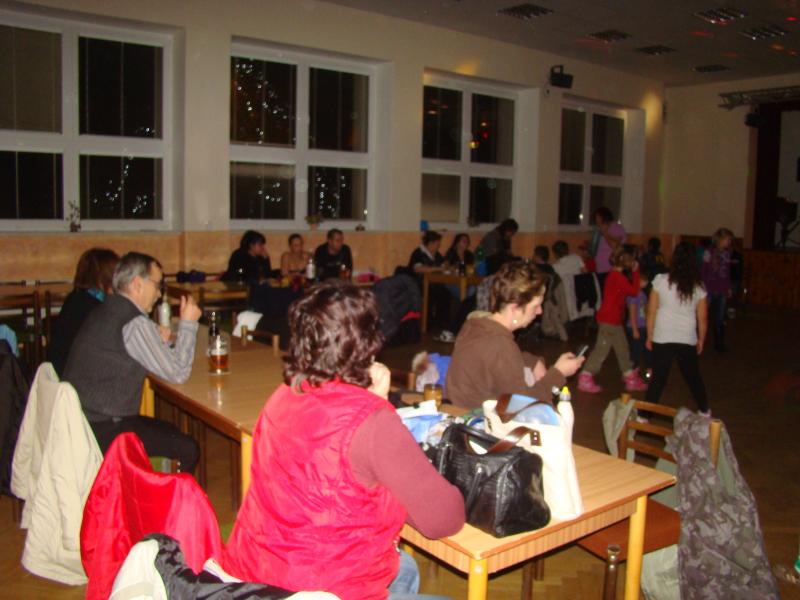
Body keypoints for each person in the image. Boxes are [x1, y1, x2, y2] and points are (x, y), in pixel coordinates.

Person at [223, 282, 464, 599]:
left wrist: (373, 404)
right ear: (367, 345)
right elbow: (444, 520)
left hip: (257, 573)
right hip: (321, 588)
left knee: (404, 568)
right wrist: (378, 404)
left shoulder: (285, 393)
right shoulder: (373, 422)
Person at [64, 252, 202, 472]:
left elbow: (128, 352)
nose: (159, 293)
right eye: (157, 285)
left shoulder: (106, 309)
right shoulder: (133, 322)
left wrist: (157, 341)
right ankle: (164, 494)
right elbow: (178, 373)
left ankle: (149, 486)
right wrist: (188, 325)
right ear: (138, 284)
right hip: (104, 427)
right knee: (188, 448)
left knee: (170, 432)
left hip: (81, 420)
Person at [446, 261, 584, 409]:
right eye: (535, 306)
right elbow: (521, 405)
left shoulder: (476, 324)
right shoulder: (501, 345)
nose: (540, 312)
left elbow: (494, 359)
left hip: (457, 409)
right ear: (515, 308)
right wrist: (558, 373)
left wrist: (532, 361)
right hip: (473, 418)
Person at [645, 242, 709, 413]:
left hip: (662, 336)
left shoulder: (661, 281)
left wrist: (650, 335)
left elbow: (651, 311)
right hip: (686, 337)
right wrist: (701, 339)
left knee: (658, 379)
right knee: (693, 377)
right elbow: (702, 318)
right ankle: (705, 411)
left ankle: (644, 416)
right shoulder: (698, 286)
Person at [577, 246, 648, 394]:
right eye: (632, 260)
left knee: (622, 348)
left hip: (614, 320)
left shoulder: (616, 275)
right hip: (608, 320)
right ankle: (585, 376)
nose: (634, 262)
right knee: (601, 350)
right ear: (626, 260)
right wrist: (636, 272)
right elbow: (634, 291)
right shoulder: (617, 276)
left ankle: (629, 376)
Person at [48, 248, 119, 377]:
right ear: (105, 278)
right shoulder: (96, 309)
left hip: (58, 376)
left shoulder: (76, 298)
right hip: (75, 379)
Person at [702, 228, 734, 352]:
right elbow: (704, 270)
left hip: (722, 289)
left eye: (730, 240)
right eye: (727, 239)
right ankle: (700, 340)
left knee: (720, 318)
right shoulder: (708, 252)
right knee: (704, 315)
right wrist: (704, 287)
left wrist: (728, 287)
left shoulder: (727, 253)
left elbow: (727, 272)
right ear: (720, 239)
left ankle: (719, 343)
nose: (729, 242)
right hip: (709, 289)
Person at [590, 206, 626, 287]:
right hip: (601, 268)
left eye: (598, 217)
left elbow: (615, 246)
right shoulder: (601, 229)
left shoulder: (615, 227)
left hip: (610, 268)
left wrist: (605, 233)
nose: (596, 220)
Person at [626, 270, 651, 378]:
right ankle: (632, 373)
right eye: (643, 280)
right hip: (636, 327)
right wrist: (635, 329)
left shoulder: (642, 294)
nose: (646, 282)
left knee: (647, 350)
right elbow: (632, 313)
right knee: (636, 352)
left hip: (643, 326)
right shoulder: (633, 295)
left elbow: (646, 310)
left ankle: (648, 371)